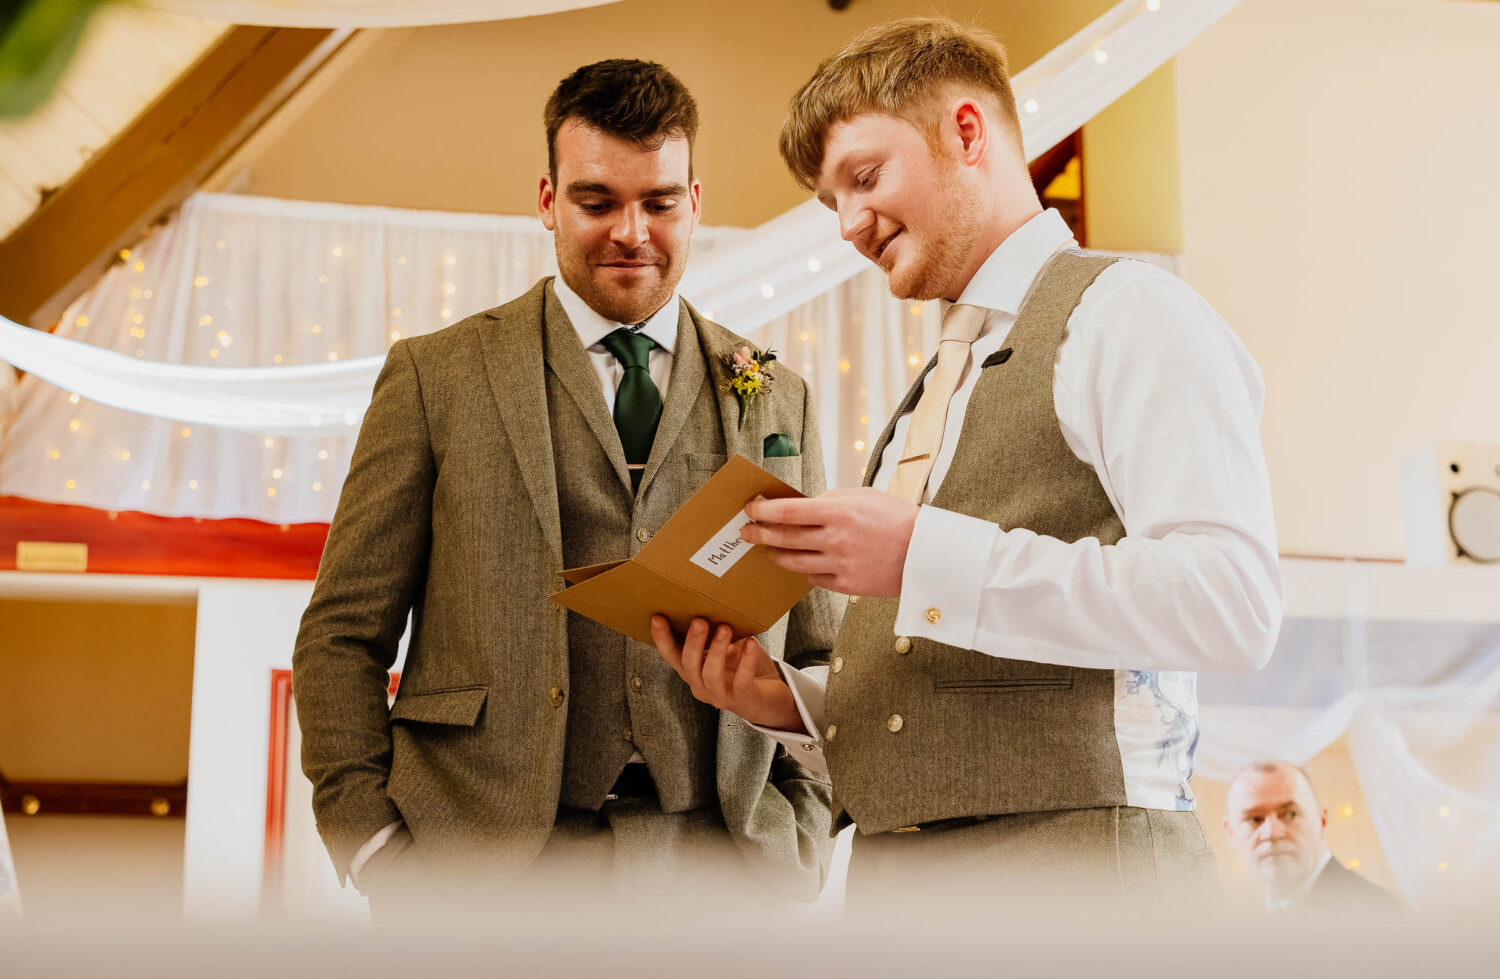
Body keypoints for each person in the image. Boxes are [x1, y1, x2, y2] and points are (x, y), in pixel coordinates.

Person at [652, 17, 1284, 910]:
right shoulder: (934, 388)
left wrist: (921, 555)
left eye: (864, 178)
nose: (849, 226)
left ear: (967, 131)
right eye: (831, 202)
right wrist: (789, 701)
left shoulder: (1131, 313)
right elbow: (955, 701)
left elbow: (1231, 605)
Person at [294, 59, 841, 913]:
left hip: (724, 866)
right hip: (480, 863)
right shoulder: (436, 377)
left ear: (695, 202)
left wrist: (803, 828)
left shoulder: (777, 393)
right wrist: (369, 843)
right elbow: (341, 635)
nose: (632, 231)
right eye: (597, 202)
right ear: (548, 201)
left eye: (659, 203)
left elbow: (818, 644)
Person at [1224, 761, 1401, 916]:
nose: (1272, 833)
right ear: (1230, 832)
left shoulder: (1377, 912)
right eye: (1255, 819)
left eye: (1290, 814)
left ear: (1322, 821)